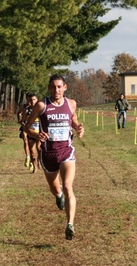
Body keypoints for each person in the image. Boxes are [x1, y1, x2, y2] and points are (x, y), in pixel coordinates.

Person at [24, 74, 84, 240]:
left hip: (66, 150)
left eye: (59, 86)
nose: (56, 90)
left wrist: (78, 127)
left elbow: (73, 119)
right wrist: (37, 135)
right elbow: (27, 127)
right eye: (53, 87)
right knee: (56, 189)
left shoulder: (71, 103)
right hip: (48, 154)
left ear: (65, 87)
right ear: (49, 88)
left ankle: (70, 224)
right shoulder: (42, 105)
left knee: (67, 186)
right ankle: (58, 197)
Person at [20, 93, 41, 173]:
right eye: (31, 100)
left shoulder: (41, 110)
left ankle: (39, 159)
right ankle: (34, 166)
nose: (32, 102)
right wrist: (24, 124)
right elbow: (22, 121)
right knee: (32, 152)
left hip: (39, 133)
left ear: (37, 100)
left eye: (34, 100)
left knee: (39, 148)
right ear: (29, 100)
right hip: (31, 133)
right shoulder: (27, 110)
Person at [17, 93, 31, 167]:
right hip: (25, 126)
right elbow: (18, 113)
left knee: (32, 144)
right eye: (28, 99)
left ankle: (33, 159)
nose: (29, 100)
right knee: (25, 140)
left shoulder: (35, 107)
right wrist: (20, 120)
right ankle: (27, 157)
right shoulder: (24, 107)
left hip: (34, 127)